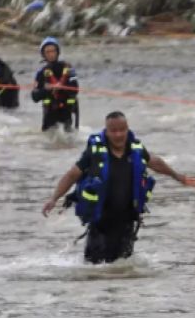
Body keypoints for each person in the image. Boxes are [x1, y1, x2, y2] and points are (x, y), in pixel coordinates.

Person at [42, 111, 186, 264]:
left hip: (126, 223)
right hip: (101, 224)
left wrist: (176, 176)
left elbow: (155, 162)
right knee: (95, 270)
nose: (118, 135)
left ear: (127, 129)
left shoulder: (136, 149)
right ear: (107, 131)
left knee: (123, 270)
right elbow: (72, 175)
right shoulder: (95, 153)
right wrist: (54, 199)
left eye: (122, 130)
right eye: (114, 131)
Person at [31, 37, 79, 131]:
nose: (51, 54)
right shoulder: (41, 73)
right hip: (49, 113)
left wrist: (62, 87)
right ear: (43, 54)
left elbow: (75, 89)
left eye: (53, 51)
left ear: (57, 52)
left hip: (66, 111)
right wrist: (46, 89)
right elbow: (35, 97)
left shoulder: (69, 69)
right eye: (47, 52)